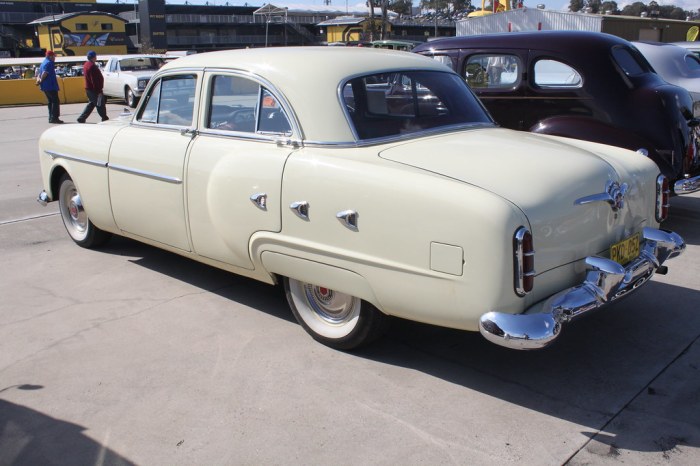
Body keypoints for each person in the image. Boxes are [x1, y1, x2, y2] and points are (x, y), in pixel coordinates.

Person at [77, 50, 108, 123]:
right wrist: (99, 90)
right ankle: (104, 118)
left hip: (89, 88)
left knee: (92, 103)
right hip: (94, 89)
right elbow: (94, 80)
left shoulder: (86, 64)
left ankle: (82, 118)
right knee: (100, 104)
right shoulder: (92, 66)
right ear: (94, 57)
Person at [36, 50, 62, 124]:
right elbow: (44, 73)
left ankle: (51, 117)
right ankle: (55, 118)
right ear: (50, 56)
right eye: (54, 56)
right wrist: (41, 80)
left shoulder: (43, 63)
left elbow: (38, 73)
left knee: (50, 102)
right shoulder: (49, 63)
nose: (54, 58)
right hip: (50, 86)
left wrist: (39, 80)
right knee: (55, 101)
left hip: (45, 86)